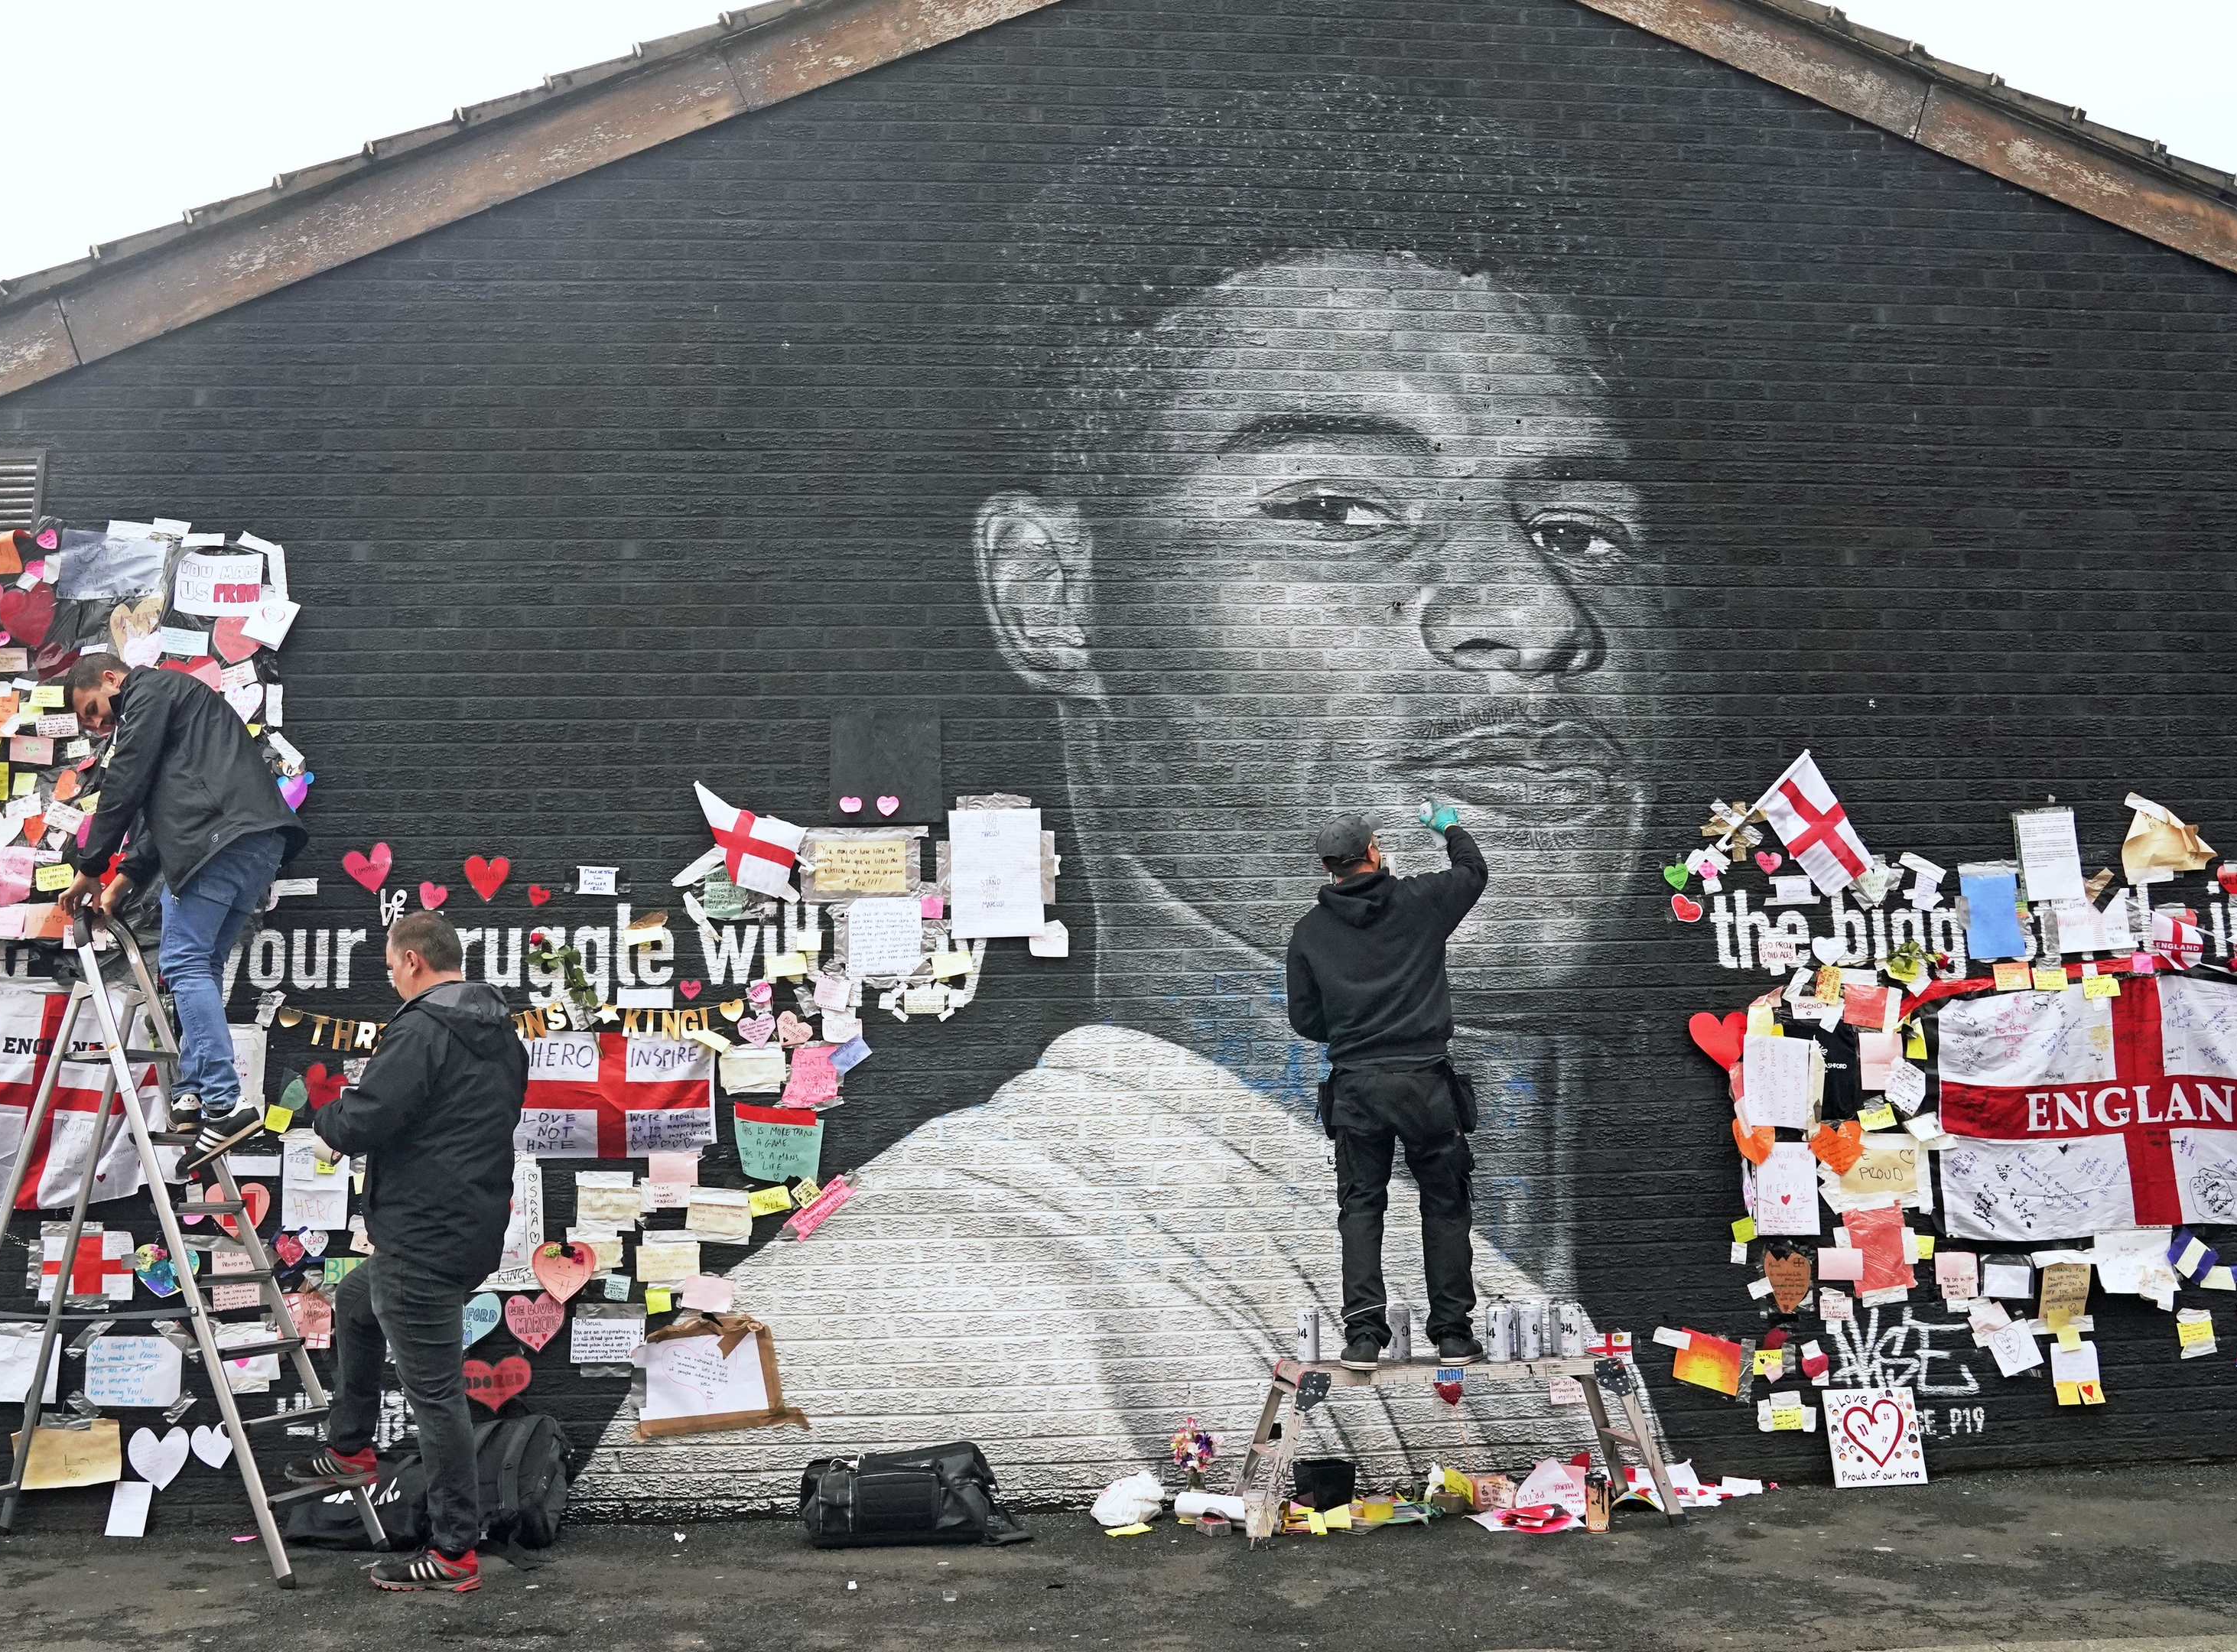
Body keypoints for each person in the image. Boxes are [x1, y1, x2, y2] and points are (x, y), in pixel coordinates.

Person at [586, 238, 1646, 1508]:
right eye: (1334, 511)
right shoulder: (911, 1333)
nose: (1536, 614)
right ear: (1053, 599)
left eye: (1584, 531)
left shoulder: (1532, 1298)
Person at [281, 911, 526, 1592]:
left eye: (390, 965)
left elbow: (367, 1118)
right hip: (465, 1228)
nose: (390, 977)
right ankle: (352, 1449)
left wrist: (323, 1121)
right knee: (357, 1302)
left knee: (436, 1399)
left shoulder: (422, 1029)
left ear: (414, 960)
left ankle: (453, 1553)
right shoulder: (501, 1033)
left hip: (424, 1234)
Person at [60, 652, 306, 1169]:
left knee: (184, 964)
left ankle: (225, 1101)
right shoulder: (178, 711)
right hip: (252, 846)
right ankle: (193, 1093)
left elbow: (125, 783)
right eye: (92, 723)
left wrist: (90, 866)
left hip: (217, 845)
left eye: (95, 710)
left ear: (111, 678)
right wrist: (121, 883)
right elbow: (161, 809)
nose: (102, 725)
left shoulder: (149, 693)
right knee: (204, 968)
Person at [1284, 805, 1488, 1371]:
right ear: (1373, 853)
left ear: (1329, 868)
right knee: (1445, 1203)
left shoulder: (1309, 932)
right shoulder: (1420, 902)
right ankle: (1451, 1333)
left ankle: (1364, 1338)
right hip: (1425, 1083)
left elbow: (1305, 1020)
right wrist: (1447, 827)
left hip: (1358, 1088)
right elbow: (1473, 872)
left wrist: (1353, 1027)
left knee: (1362, 1207)